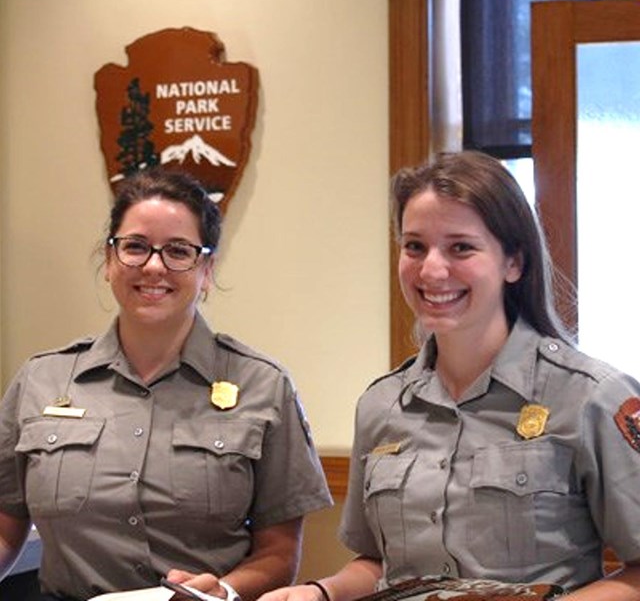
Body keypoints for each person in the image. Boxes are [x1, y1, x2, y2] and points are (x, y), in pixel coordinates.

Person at [260, 151, 640, 601]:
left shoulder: (592, 397)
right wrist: (320, 592)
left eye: (461, 247)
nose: (432, 270)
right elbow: (380, 564)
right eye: (415, 246)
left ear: (513, 263)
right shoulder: (382, 405)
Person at [0, 166, 333, 601]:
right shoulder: (40, 380)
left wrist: (224, 591)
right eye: (135, 247)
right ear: (109, 260)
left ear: (207, 270)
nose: (154, 266)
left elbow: (279, 553)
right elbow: (6, 528)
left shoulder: (263, 387)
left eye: (178, 251)